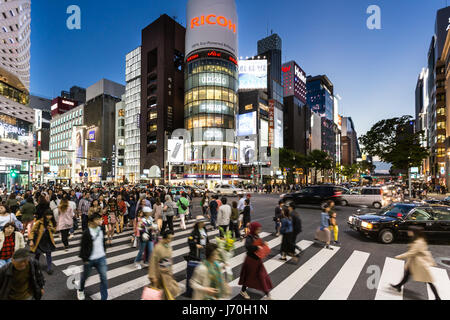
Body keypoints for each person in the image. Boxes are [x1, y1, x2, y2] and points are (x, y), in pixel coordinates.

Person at [391, 226, 441, 300]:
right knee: (407, 275)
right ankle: (398, 286)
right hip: (415, 263)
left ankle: (438, 298)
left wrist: (398, 257)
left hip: (421, 265)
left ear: (414, 232)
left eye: (409, 231)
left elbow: (411, 253)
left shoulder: (418, 242)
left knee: (429, 281)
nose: (408, 232)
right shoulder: (417, 239)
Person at [238, 222, 273, 300]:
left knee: (262, 276)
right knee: (248, 276)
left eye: (260, 229)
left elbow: (259, 242)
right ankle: (243, 291)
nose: (259, 231)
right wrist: (257, 248)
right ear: (254, 229)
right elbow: (247, 246)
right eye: (258, 229)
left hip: (258, 260)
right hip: (251, 260)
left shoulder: (256, 235)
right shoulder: (249, 237)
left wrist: (264, 243)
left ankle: (267, 294)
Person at [77, 213, 108, 301]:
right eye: (98, 219)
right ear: (92, 221)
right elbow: (83, 247)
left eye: (100, 219)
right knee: (85, 277)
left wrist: (104, 251)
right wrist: (85, 259)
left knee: (104, 278)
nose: (100, 221)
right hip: (90, 259)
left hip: (101, 258)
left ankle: (104, 298)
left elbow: (103, 242)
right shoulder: (87, 232)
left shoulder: (101, 229)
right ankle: (80, 289)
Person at [148, 231, 180, 300]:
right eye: (169, 238)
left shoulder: (168, 246)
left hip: (167, 273)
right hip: (160, 274)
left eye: (171, 239)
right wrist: (152, 276)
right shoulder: (158, 247)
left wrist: (171, 271)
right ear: (164, 238)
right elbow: (153, 262)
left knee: (168, 292)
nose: (170, 240)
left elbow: (170, 260)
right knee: (159, 293)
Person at [29, 209, 56, 275]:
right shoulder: (39, 222)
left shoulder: (51, 222)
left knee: (48, 253)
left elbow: (54, 231)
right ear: (45, 215)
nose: (49, 216)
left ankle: (49, 268)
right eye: (48, 215)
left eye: (50, 215)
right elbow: (32, 231)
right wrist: (31, 240)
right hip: (39, 241)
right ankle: (35, 266)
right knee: (38, 254)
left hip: (47, 241)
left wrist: (50, 228)